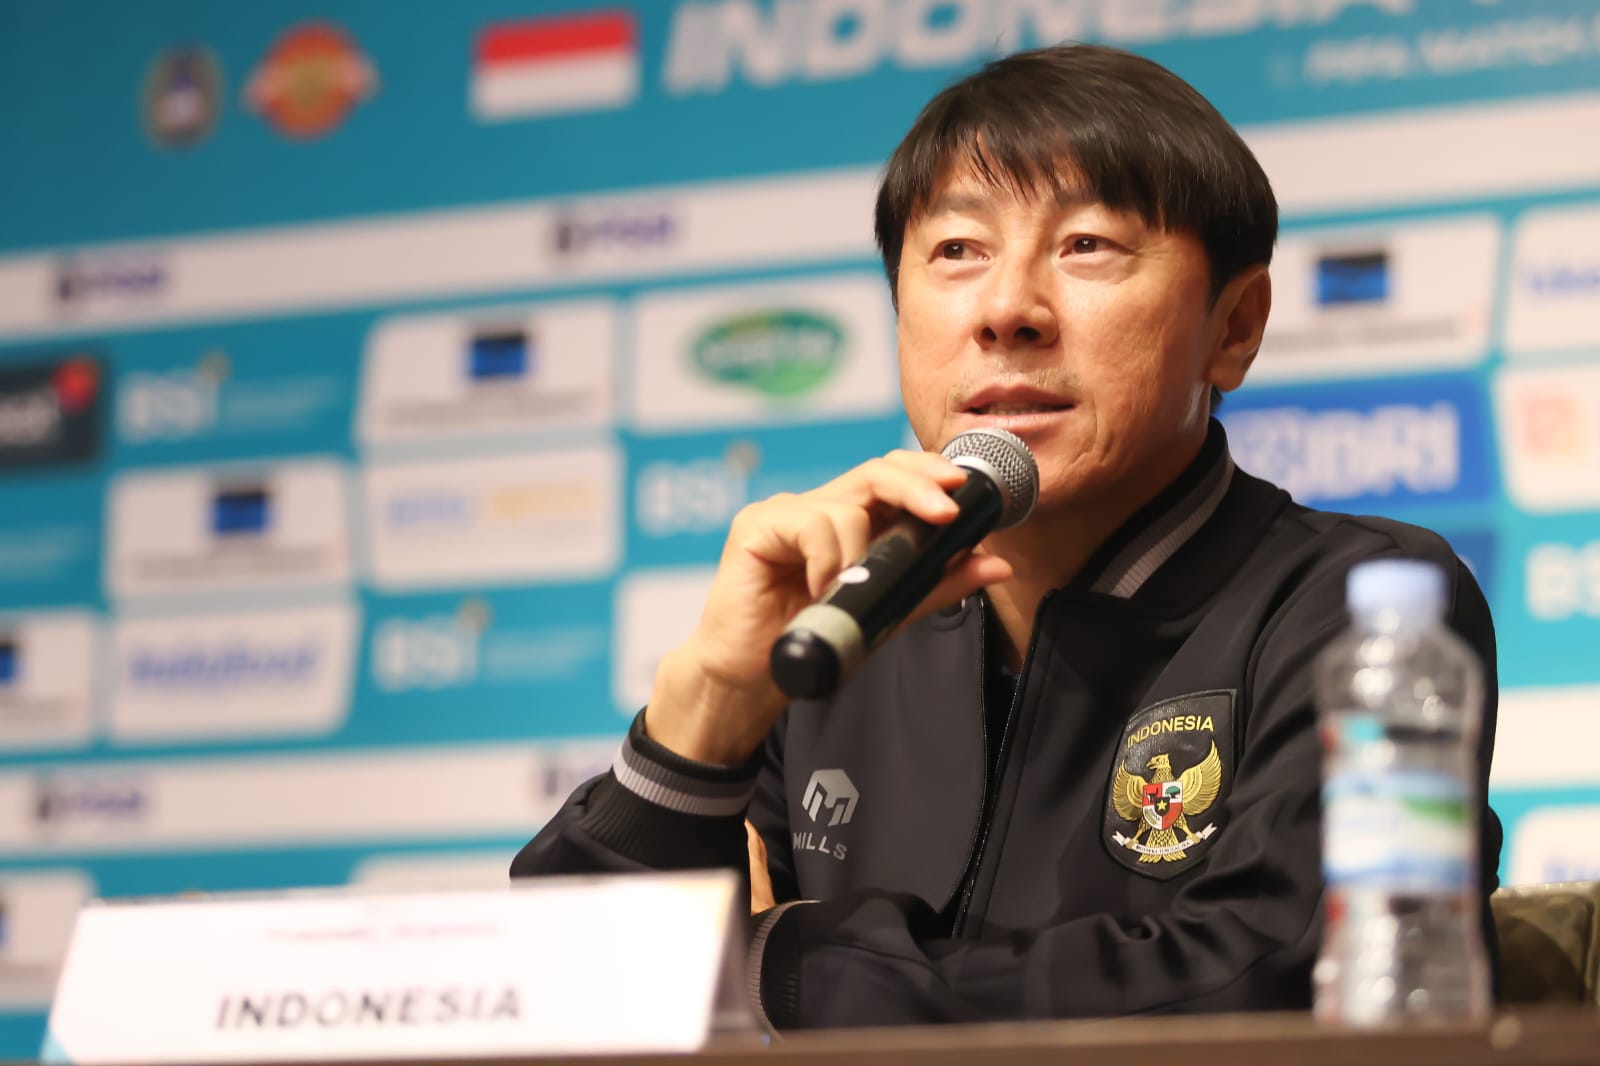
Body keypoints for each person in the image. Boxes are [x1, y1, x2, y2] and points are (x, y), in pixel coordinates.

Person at [511, 43, 1502, 1029]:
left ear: (1234, 326)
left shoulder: (1354, 607)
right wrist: (712, 706)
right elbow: (568, 991)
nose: (1006, 311)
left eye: (1087, 245)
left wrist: (780, 965)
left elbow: (1272, 982)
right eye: (957, 251)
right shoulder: (840, 628)